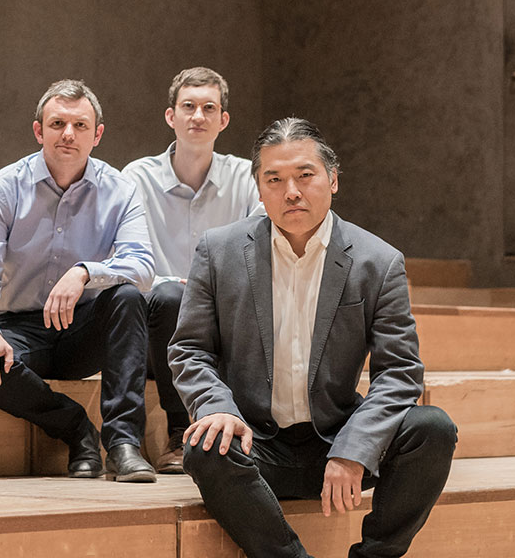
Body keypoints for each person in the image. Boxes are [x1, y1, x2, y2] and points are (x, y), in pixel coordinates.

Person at [170, 117, 457, 558]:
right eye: (275, 179)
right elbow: (190, 349)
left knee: (432, 428)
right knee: (205, 446)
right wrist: (217, 408)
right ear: (259, 189)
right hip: (253, 443)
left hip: (336, 437)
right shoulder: (218, 251)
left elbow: (400, 373)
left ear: (333, 179)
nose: (292, 191)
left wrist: (353, 450)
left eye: (305, 175)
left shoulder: (378, 262)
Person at [0, 79, 157, 482]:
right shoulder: (4, 186)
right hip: (23, 328)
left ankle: (123, 444)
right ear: (39, 131)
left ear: (97, 135)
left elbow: (142, 265)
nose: (68, 134)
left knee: (127, 297)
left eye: (80, 126)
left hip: (83, 327)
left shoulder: (121, 190)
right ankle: (77, 429)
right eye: (57, 124)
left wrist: (86, 272)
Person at [123, 67, 262, 473]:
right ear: (171, 117)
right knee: (169, 296)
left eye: (208, 108)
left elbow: (257, 255)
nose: (198, 116)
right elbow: (127, 259)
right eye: (188, 106)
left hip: (223, 327)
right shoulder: (137, 177)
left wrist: (204, 290)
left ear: (223, 120)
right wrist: (181, 286)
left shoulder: (245, 177)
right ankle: (178, 432)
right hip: (157, 333)